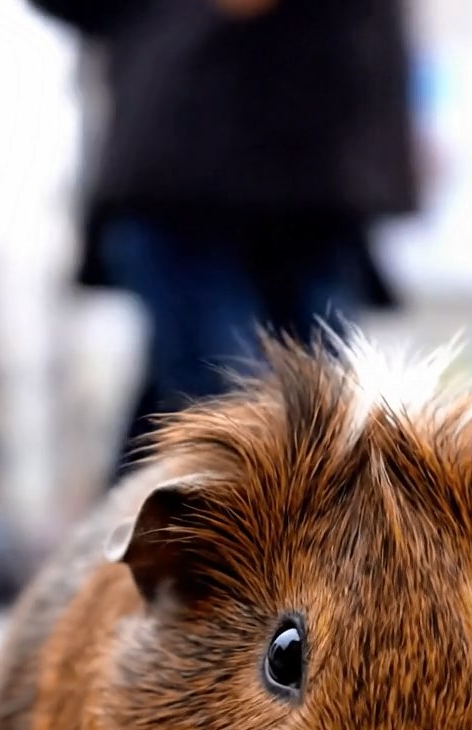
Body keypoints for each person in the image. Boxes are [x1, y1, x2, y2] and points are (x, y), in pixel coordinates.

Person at [29, 0, 418, 480]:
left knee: (294, 429)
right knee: (237, 422)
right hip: (184, 161)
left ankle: (133, 541)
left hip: (317, 167)